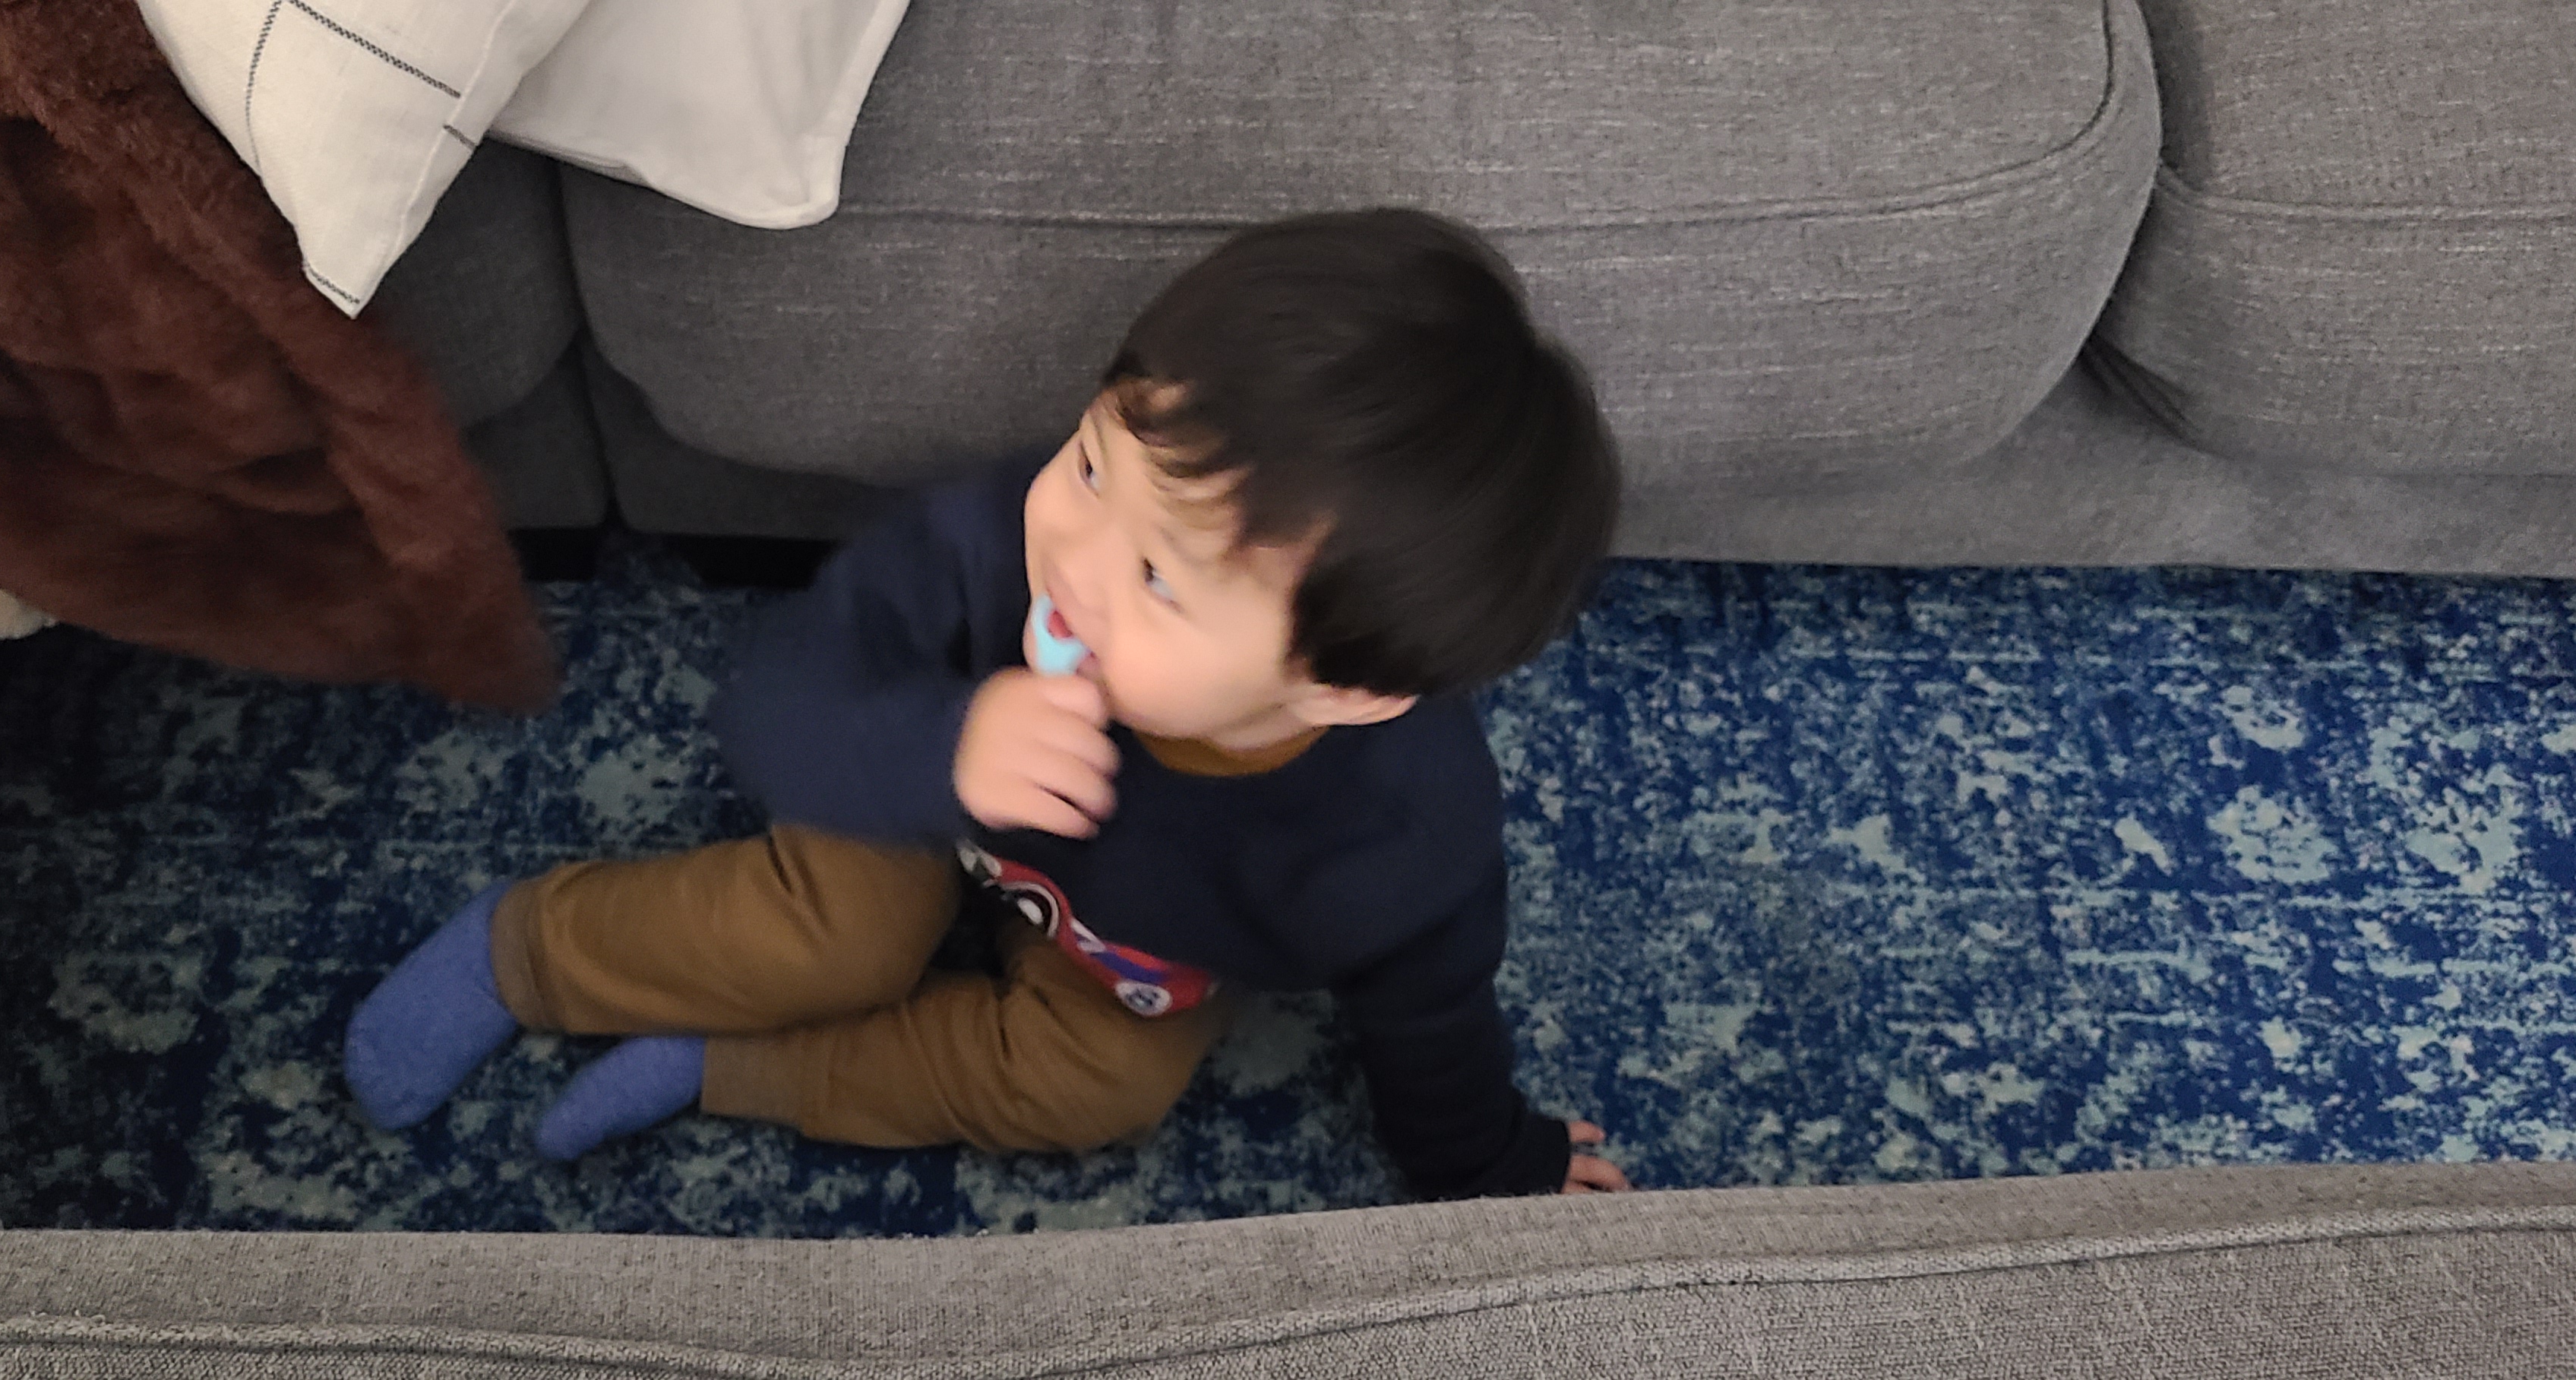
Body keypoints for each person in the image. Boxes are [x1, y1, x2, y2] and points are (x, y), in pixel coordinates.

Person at [344, 207, 1630, 1199]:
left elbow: (1431, 1018)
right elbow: (777, 701)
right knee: (828, 936)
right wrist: (940, 746)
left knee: (1098, 1092)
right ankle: (527, 950)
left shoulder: (1400, 840)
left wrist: (1486, 1160)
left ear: (1343, 687)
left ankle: (726, 1065)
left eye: (1156, 577)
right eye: (1093, 462)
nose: (1074, 553)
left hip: (1130, 953)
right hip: (920, 802)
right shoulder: (992, 547)